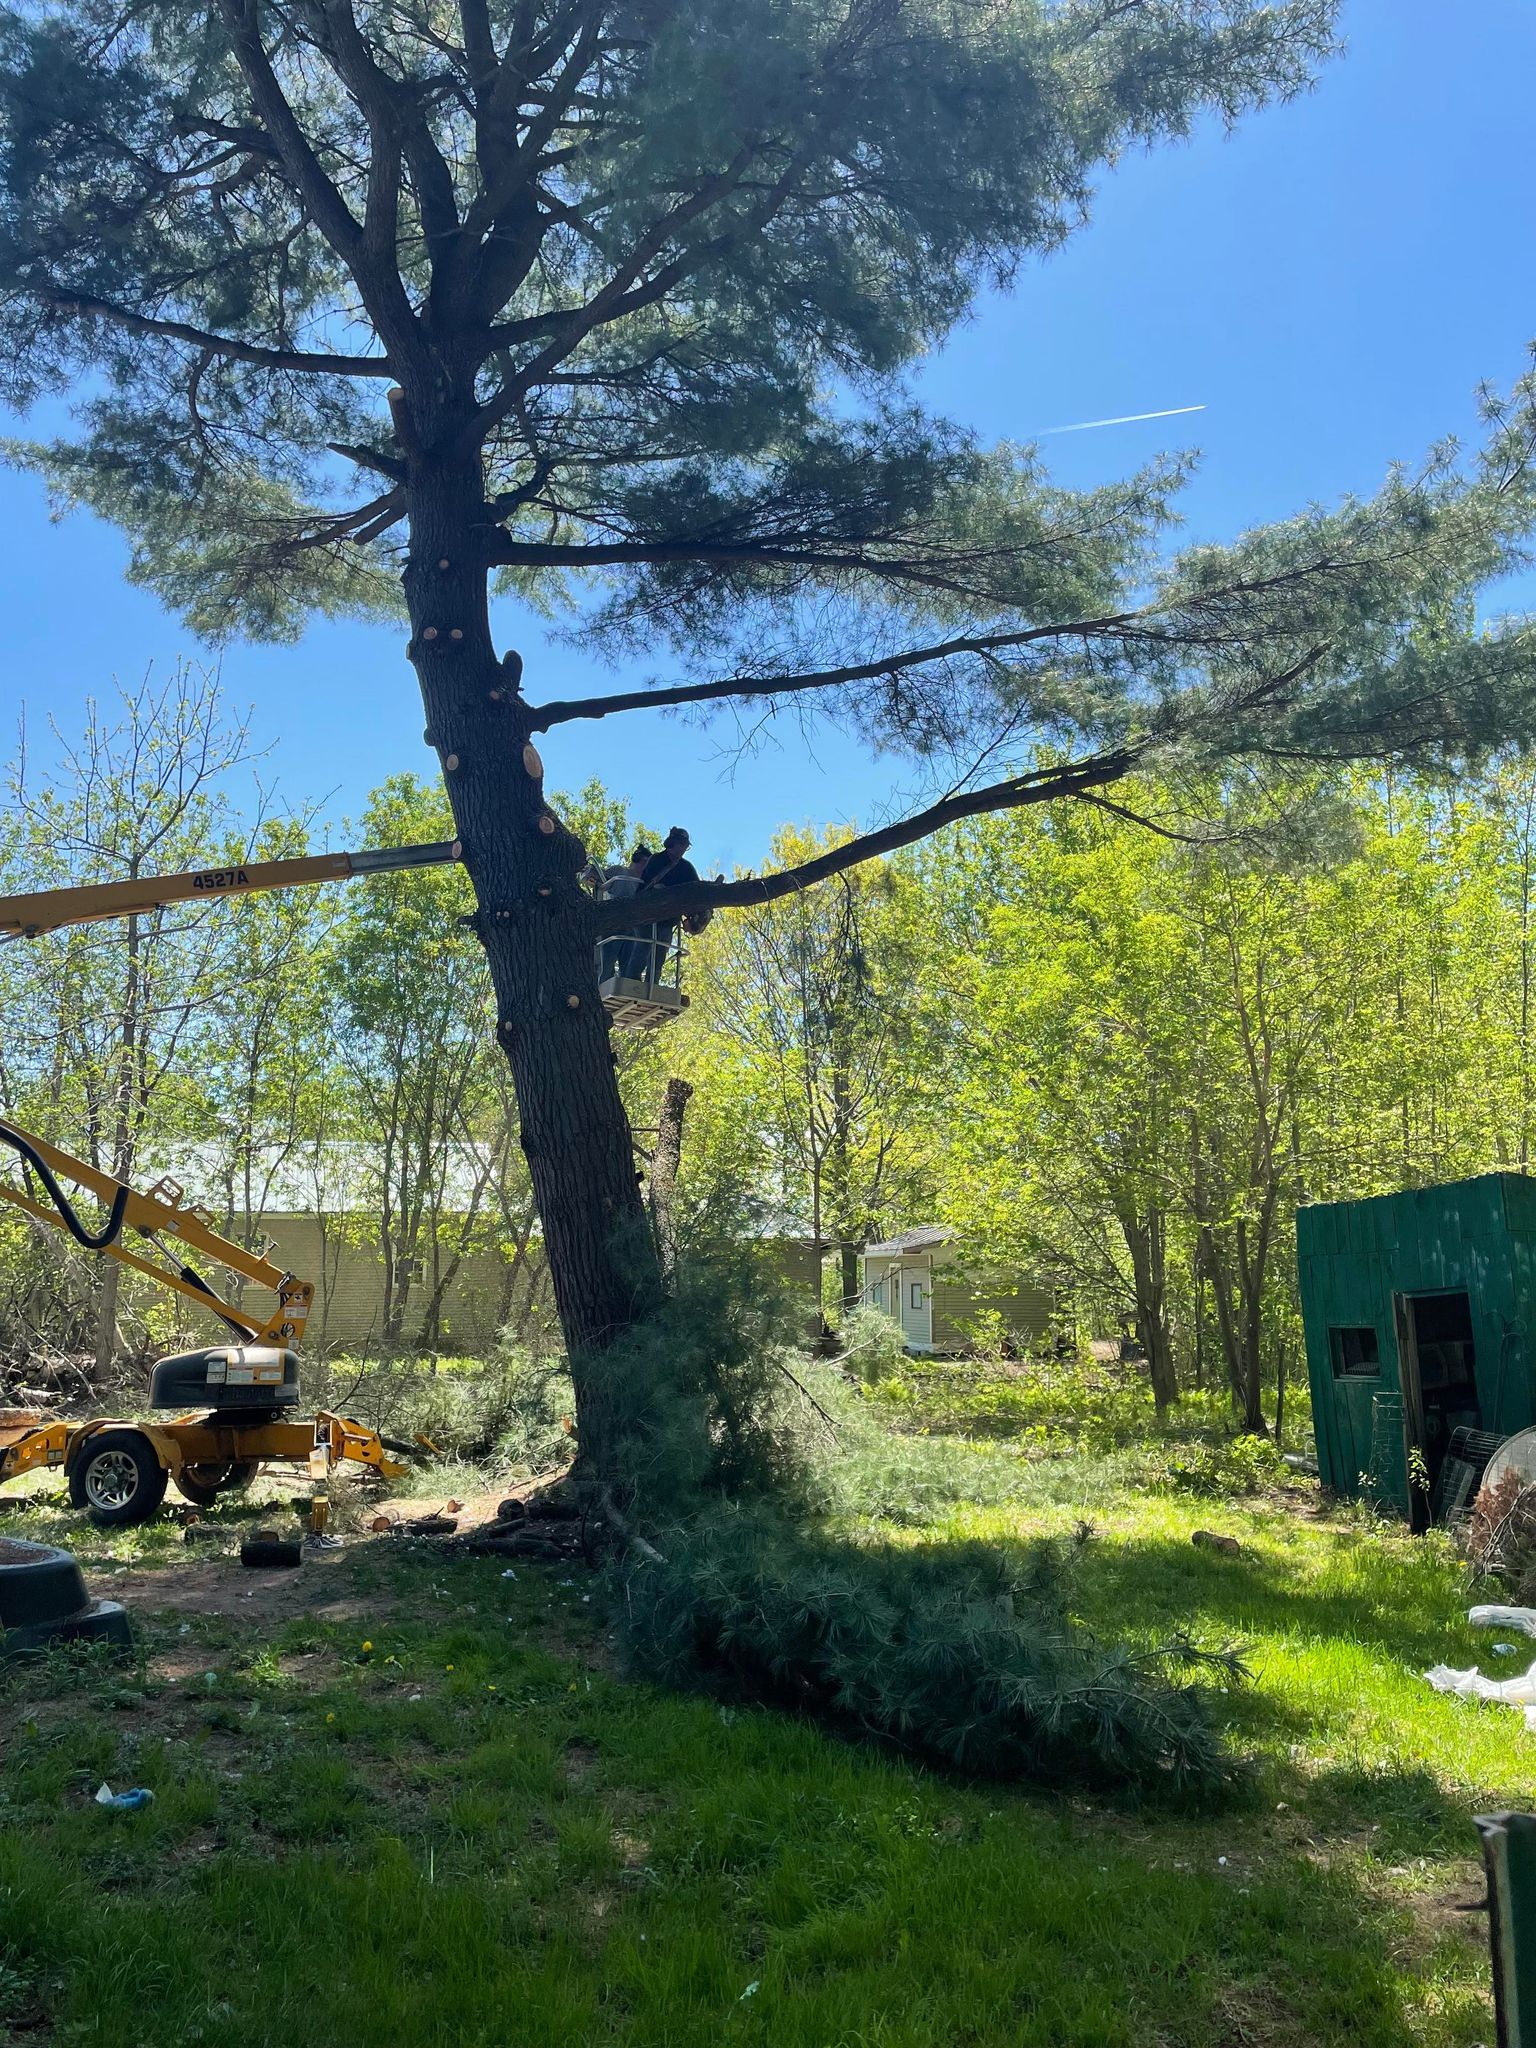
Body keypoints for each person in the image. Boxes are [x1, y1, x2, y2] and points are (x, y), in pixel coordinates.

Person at [633, 827, 702, 981]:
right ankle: (632, 983)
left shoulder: (687, 868)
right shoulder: (656, 860)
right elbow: (653, 889)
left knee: (659, 957)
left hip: (667, 920)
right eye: (680, 844)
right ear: (671, 843)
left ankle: (653, 986)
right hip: (645, 915)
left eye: (685, 845)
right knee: (642, 950)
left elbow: (696, 892)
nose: (682, 848)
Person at [595, 845, 651, 980]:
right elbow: (600, 882)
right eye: (645, 862)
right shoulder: (619, 871)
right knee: (607, 963)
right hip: (613, 923)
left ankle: (628, 989)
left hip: (633, 928)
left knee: (629, 965)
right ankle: (602, 988)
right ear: (638, 860)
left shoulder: (645, 884)